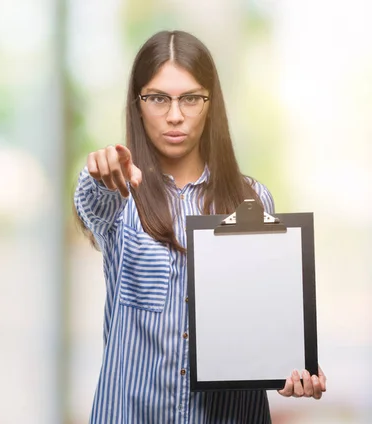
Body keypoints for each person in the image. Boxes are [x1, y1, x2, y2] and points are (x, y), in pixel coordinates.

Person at [73, 30, 327, 423]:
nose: (175, 115)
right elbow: (93, 202)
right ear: (138, 105)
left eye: (190, 98)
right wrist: (99, 172)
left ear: (210, 104)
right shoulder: (120, 194)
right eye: (158, 98)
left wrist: (288, 368)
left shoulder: (252, 200)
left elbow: (264, 323)